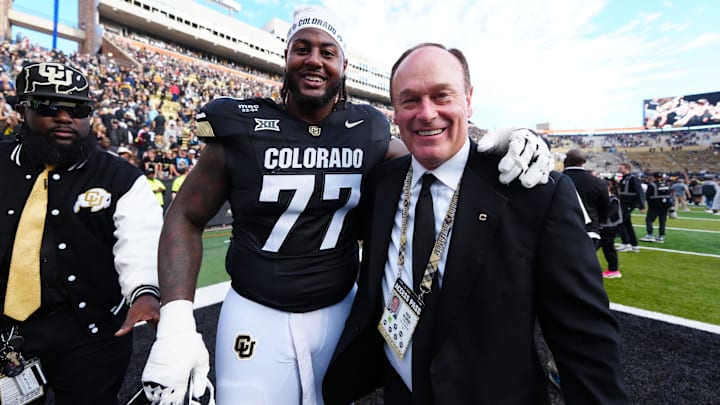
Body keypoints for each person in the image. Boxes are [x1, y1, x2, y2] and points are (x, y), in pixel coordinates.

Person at [140, 6, 553, 404]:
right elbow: (185, 216)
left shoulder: (366, 129)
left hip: (339, 310)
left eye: (327, 52)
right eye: (302, 48)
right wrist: (176, 321)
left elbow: (434, 155)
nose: (314, 60)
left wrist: (494, 145)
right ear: (285, 57)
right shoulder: (240, 123)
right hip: (255, 309)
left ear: (343, 65)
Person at [322, 43, 627, 405]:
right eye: (410, 100)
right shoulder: (381, 184)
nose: (426, 113)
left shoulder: (532, 191)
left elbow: (585, 340)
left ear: (468, 101)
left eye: (442, 96)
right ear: (395, 112)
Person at [0, 62, 163, 404]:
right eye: (48, 107)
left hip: (92, 332)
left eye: (78, 109)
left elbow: (141, 241)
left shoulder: (121, 177)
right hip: (8, 329)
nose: (64, 117)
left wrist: (145, 292)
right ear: (22, 109)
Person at [562, 149, 610, 249]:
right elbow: (605, 208)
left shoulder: (553, 180)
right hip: (590, 231)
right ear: (584, 162)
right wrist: (600, 223)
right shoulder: (598, 182)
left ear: (565, 161)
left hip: (561, 230)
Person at [616, 162, 645, 252]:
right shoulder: (624, 178)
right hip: (623, 203)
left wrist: (642, 206)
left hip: (628, 204)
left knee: (621, 223)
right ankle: (634, 245)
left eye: (621, 168)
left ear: (627, 168)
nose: (619, 169)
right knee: (627, 224)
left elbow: (640, 192)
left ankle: (626, 243)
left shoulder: (633, 179)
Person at [601, 179, 624, 278]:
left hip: (610, 228)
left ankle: (614, 270)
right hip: (604, 228)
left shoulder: (613, 200)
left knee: (609, 249)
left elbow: (609, 214)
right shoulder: (604, 199)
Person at [640, 172, 672, 243]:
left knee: (649, 220)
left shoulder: (652, 185)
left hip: (655, 205)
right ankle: (661, 236)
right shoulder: (666, 184)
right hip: (665, 205)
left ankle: (650, 235)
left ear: (654, 177)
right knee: (662, 221)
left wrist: (643, 204)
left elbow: (647, 195)